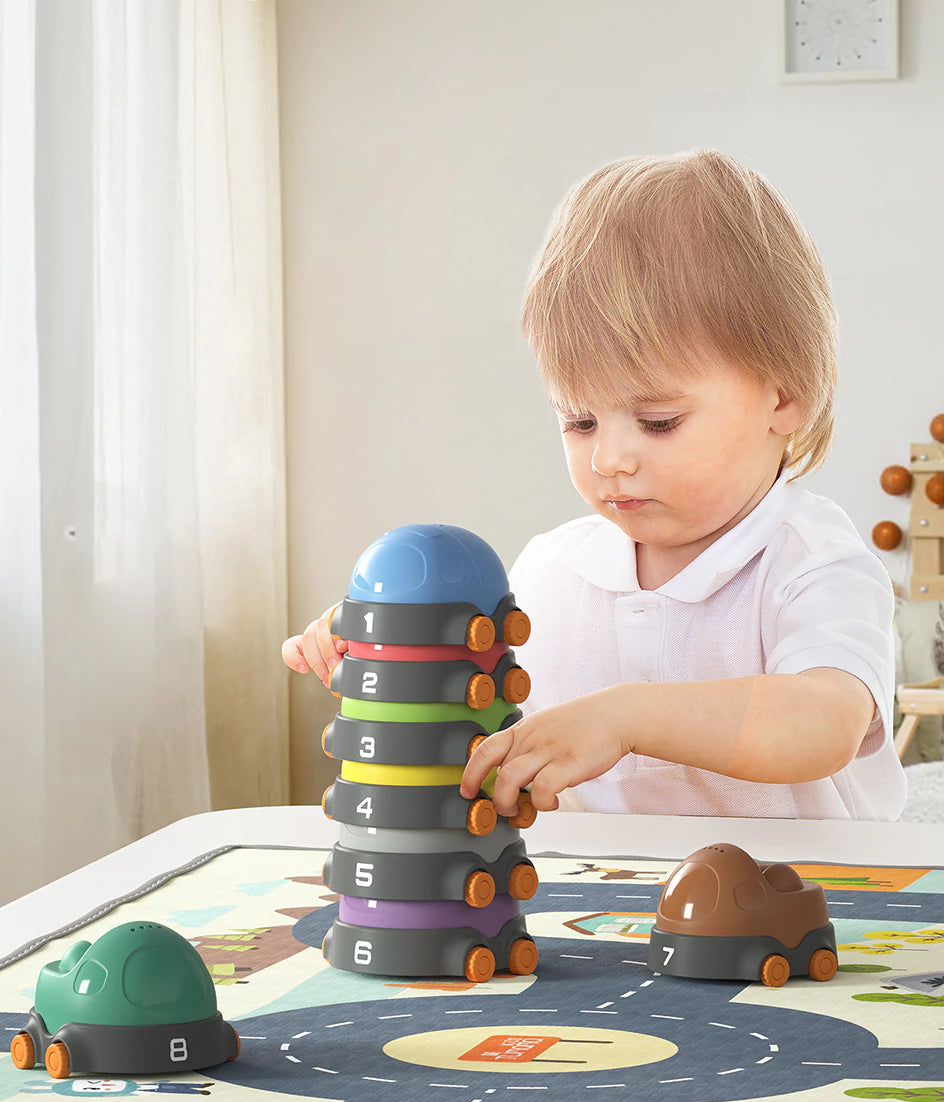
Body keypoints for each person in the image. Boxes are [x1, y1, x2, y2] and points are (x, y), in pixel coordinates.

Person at [283, 149, 907, 822]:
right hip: (604, 906)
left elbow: (822, 723)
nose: (610, 457)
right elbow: (476, 706)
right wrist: (393, 647)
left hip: (807, 904)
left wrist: (628, 715)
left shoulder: (811, 561)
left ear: (782, 398)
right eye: (579, 419)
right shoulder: (551, 571)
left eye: (658, 421)